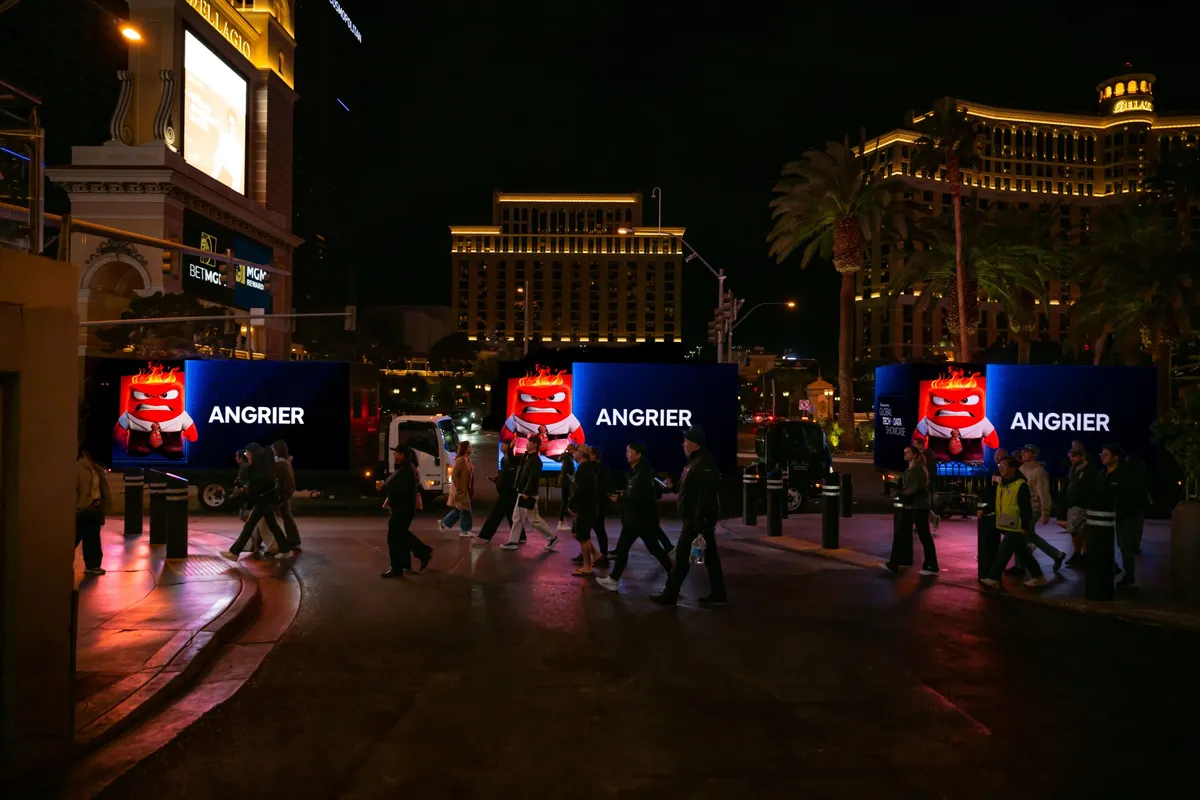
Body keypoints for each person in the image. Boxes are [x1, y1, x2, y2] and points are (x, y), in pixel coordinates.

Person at [651, 425, 726, 606]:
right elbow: (687, 487)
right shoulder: (694, 462)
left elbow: (705, 496)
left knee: (683, 558)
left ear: (695, 444)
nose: (683, 444)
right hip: (695, 520)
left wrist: (698, 524)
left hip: (696, 521)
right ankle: (719, 594)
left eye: (686, 441)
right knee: (709, 558)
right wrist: (672, 486)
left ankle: (670, 595)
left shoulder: (704, 463)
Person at [596, 442, 673, 592]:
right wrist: (623, 496)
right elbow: (634, 494)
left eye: (630, 452)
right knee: (630, 548)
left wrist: (620, 499)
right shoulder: (635, 472)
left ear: (638, 455)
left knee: (652, 548)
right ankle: (614, 579)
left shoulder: (642, 474)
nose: (627, 454)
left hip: (640, 519)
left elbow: (639, 498)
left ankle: (674, 574)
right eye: (627, 451)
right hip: (635, 519)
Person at [981, 456, 1047, 588]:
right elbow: (996, 500)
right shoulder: (1002, 483)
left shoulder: (1020, 485)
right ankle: (1038, 576)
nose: (1001, 468)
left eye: (1004, 465)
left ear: (1013, 468)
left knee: (1003, 551)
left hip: (1016, 525)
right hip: (1005, 523)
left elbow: (1025, 507)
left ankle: (993, 578)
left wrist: (1025, 525)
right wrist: (984, 508)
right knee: (1022, 552)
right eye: (1000, 465)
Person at [220, 443, 294, 561]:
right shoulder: (263, 466)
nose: (247, 455)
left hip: (263, 501)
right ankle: (286, 550)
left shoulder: (258, 468)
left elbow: (257, 486)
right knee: (272, 526)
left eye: (247, 453)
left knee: (249, 526)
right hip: (265, 500)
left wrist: (245, 489)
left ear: (252, 453)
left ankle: (234, 552)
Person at [882, 445, 939, 576]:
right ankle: (894, 563)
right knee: (901, 534)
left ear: (914, 455)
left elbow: (917, 487)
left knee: (924, 536)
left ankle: (931, 565)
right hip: (911, 507)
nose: (905, 454)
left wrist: (903, 494)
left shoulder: (918, 469)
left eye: (907, 453)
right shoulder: (911, 469)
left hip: (918, 507)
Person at [380, 445, 433, 577]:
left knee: (394, 538)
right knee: (401, 536)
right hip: (403, 509)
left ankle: (399, 567)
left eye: (396, 453)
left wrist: (384, 487)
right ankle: (408, 562)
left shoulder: (406, 470)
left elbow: (401, 491)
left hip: (402, 510)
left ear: (402, 455)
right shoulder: (405, 468)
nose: (394, 455)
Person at [1101, 444, 1147, 589]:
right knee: (1103, 545)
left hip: (1125, 514)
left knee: (1125, 547)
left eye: (1106, 454)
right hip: (1105, 515)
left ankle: (1129, 576)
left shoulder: (1128, 473)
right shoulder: (1102, 472)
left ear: (1115, 457)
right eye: (1101, 454)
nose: (1103, 457)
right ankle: (1115, 569)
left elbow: (1134, 493)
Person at [501, 434, 558, 550]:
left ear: (535, 444)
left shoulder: (536, 461)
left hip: (528, 494)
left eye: (529, 442)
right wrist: (511, 448)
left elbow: (533, 478)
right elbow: (515, 464)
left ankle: (552, 538)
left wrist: (527, 493)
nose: (527, 444)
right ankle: (513, 541)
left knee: (534, 520)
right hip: (522, 492)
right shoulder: (527, 458)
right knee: (517, 517)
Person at [1017, 445, 1066, 573]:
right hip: (1024, 508)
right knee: (1028, 536)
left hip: (1033, 508)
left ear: (1034, 454)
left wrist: (1045, 512)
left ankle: (1021, 566)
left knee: (1023, 535)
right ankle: (1056, 555)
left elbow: (1043, 493)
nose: (1023, 453)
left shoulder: (1039, 472)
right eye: (1023, 451)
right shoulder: (1021, 468)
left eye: (1026, 451)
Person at [76, 447, 111, 575]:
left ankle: (93, 565)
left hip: (93, 507)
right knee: (77, 536)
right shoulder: (78, 469)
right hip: (82, 509)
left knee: (92, 537)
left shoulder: (95, 468)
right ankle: (91, 564)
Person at [567, 445, 601, 576]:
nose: (573, 454)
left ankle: (587, 566)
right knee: (577, 534)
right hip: (587, 507)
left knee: (583, 537)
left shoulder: (584, 469)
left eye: (575, 452)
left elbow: (581, 490)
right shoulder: (585, 468)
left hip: (585, 508)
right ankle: (596, 555)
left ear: (581, 454)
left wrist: (571, 504)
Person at [1061, 443, 1097, 567]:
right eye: (1070, 456)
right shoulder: (1074, 469)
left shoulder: (1089, 470)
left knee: (1081, 531)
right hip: (1073, 504)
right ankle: (1078, 554)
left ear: (1082, 456)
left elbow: (1090, 488)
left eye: (1074, 456)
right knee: (1075, 531)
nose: (1072, 459)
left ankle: (1083, 554)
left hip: (1082, 505)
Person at [476, 439, 517, 545]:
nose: (501, 446)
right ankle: (520, 536)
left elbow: (510, 474)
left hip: (507, 492)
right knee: (512, 515)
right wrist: (496, 480)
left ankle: (485, 536)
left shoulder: (511, 458)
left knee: (496, 514)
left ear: (509, 446)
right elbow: (504, 475)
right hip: (506, 492)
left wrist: (511, 449)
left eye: (504, 444)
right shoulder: (504, 459)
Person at [440, 440, 475, 536]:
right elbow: (454, 475)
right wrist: (459, 488)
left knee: (460, 509)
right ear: (465, 449)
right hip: (461, 489)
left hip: (466, 489)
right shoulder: (460, 460)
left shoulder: (468, 459)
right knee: (466, 510)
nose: (470, 448)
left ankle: (444, 522)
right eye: (469, 446)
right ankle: (464, 530)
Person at [272, 440, 301, 549]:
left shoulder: (280, 465)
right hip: (285, 495)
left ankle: (282, 543)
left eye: (273, 449)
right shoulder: (286, 464)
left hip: (280, 496)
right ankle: (294, 541)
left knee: (269, 519)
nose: (272, 451)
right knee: (286, 517)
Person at [588, 446, 611, 566]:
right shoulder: (601, 467)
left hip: (597, 503)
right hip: (598, 502)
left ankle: (602, 554)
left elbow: (598, 486)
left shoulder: (595, 468)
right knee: (590, 530)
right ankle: (589, 553)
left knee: (598, 529)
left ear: (593, 455)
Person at [557, 442, 577, 531]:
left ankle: (562, 521)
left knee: (566, 500)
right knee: (566, 501)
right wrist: (573, 479)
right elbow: (567, 471)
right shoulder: (568, 458)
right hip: (566, 482)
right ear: (572, 450)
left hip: (565, 481)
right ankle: (561, 521)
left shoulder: (567, 457)